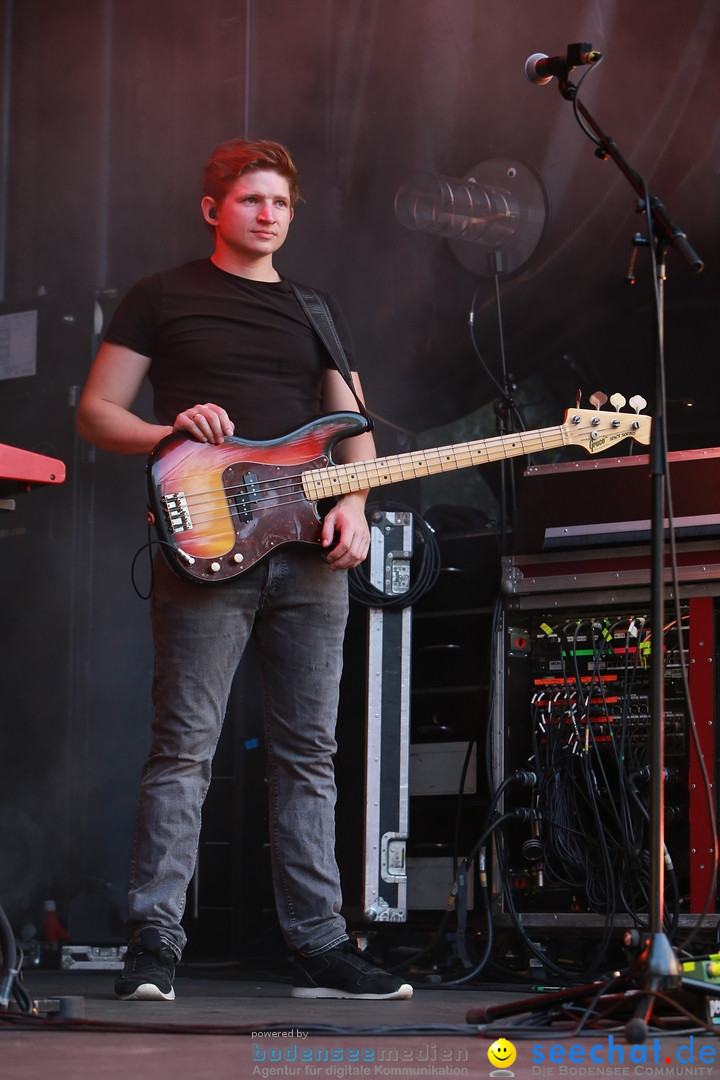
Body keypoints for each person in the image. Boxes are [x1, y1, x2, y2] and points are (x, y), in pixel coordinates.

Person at [76, 138, 413, 1002]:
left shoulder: (316, 309)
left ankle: (323, 946)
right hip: (206, 546)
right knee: (183, 748)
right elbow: (95, 414)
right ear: (212, 208)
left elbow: (353, 429)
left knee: (309, 754)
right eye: (252, 199)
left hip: (309, 556)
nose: (269, 215)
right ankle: (154, 945)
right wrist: (170, 433)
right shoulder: (160, 296)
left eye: (282, 203)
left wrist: (356, 506)